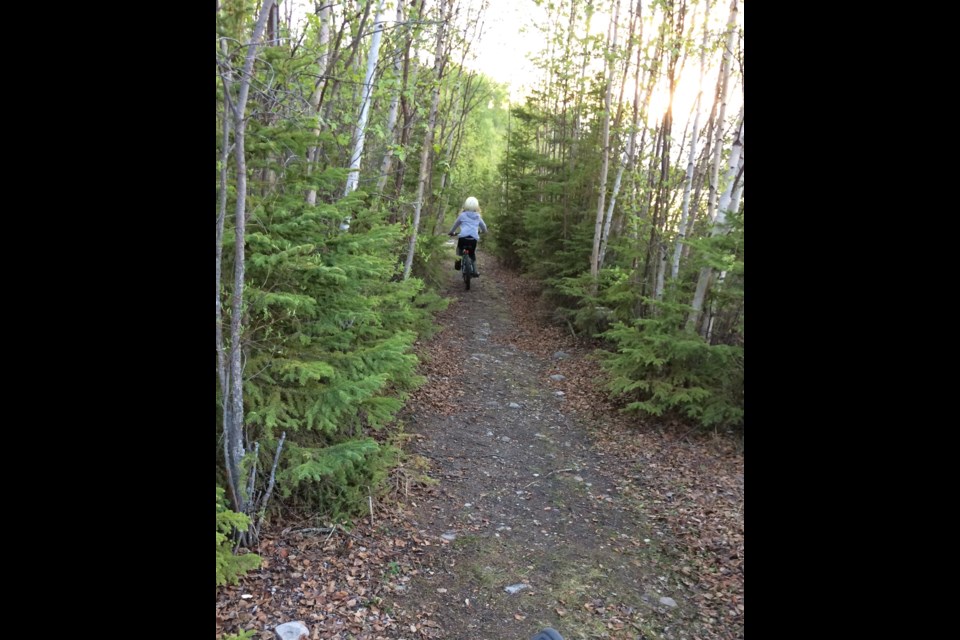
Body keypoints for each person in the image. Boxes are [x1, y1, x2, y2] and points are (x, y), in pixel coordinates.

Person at [448, 196, 488, 276]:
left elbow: (455, 225)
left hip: (463, 237)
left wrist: (451, 232)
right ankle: (475, 271)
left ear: (465, 205)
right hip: (473, 238)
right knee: (472, 254)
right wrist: (483, 231)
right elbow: (484, 227)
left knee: (459, 250)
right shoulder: (478, 216)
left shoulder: (462, 215)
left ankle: (458, 262)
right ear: (477, 206)